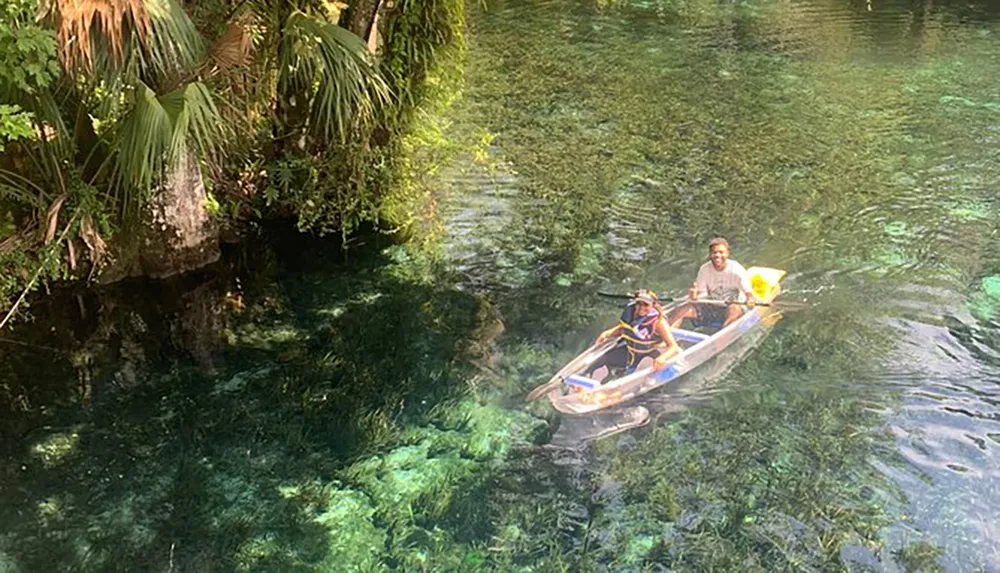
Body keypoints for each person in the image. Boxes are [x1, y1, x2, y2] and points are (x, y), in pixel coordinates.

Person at [586, 289, 680, 383]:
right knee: (604, 357)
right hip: (631, 353)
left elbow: (673, 347)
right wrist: (607, 333)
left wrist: (662, 358)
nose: (641, 307)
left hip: (649, 355)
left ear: (653, 305)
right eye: (639, 303)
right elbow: (624, 328)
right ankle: (585, 378)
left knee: (641, 377)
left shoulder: (659, 322)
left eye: (646, 305)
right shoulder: (631, 314)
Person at [669, 237, 756, 329]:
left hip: (732, 308)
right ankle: (668, 338)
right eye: (714, 252)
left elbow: (749, 293)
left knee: (734, 308)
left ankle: (723, 340)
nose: (717, 255)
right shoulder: (704, 269)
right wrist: (694, 296)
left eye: (721, 252)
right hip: (712, 306)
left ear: (727, 253)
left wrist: (750, 300)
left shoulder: (736, 269)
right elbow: (701, 294)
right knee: (682, 309)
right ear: (710, 254)